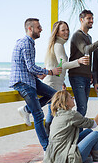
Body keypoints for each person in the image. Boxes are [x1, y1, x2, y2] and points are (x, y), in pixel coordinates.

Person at [9, 18, 62, 152]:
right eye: (38, 27)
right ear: (30, 29)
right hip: (23, 83)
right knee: (38, 115)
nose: (41, 29)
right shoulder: (26, 43)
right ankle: (47, 149)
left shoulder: (27, 42)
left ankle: (26, 110)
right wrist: (50, 71)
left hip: (30, 79)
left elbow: (28, 67)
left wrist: (38, 74)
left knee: (55, 95)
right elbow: (31, 67)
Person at [42, 90, 98, 163]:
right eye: (71, 98)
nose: (73, 98)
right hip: (67, 156)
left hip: (57, 157)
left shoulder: (58, 114)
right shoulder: (71, 115)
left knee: (88, 132)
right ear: (66, 102)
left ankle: (85, 161)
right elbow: (93, 124)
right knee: (96, 135)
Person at [43, 21, 89, 135]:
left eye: (67, 29)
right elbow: (63, 65)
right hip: (52, 83)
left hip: (55, 83)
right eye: (63, 30)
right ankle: (48, 142)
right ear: (57, 32)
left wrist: (62, 81)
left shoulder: (58, 45)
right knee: (52, 114)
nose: (66, 32)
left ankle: (50, 141)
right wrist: (78, 61)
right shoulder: (58, 45)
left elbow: (57, 66)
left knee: (53, 112)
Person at [68, 9, 98, 121]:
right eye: (89, 18)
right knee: (82, 108)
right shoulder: (77, 35)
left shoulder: (89, 37)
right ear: (81, 20)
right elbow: (86, 50)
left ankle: (77, 134)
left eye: (92, 18)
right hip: (76, 75)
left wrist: (91, 74)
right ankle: (76, 135)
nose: (91, 21)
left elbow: (91, 58)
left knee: (83, 108)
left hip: (85, 76)